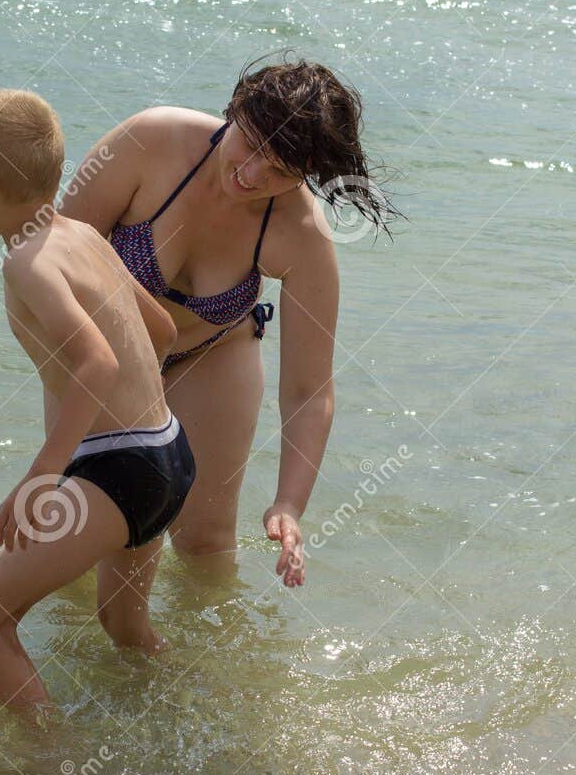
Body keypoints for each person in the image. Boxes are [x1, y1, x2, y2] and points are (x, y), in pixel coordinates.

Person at [62, 57, 393, 590]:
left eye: (282, 171)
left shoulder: (302, 235)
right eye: (254, 145)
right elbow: (55, 254)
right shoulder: (151, 139)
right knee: (80, 533)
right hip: (105, 354)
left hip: (212, 354)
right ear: (235, 108)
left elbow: (310, 390)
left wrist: (289, 502)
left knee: (205, 542)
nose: (253, 174)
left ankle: (212, 666)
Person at [0, 89, 195, 714]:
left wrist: (43, 478)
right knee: (125, 628)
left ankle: (43, 769)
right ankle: (190, 704)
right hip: (168, 451)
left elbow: (96, 360)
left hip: (119, 467)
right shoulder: (83, 233)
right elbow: (163, 333)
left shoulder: (26, 264)